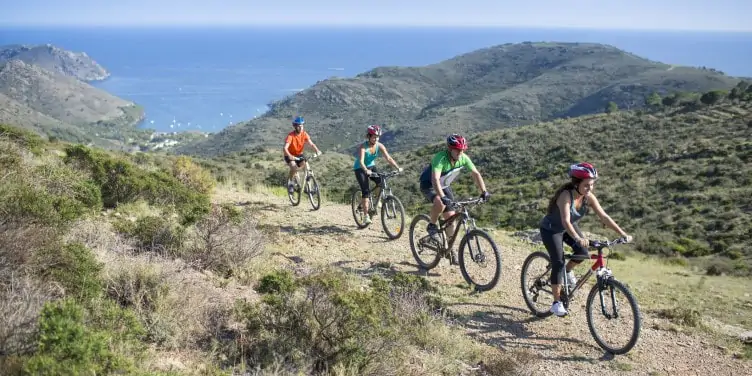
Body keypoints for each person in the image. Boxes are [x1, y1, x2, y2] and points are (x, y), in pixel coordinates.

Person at [539, 162, 633, 317]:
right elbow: (565, 221)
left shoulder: (588, 197)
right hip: (552, 229)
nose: (590, 189)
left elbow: (604, 217)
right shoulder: (565, 196)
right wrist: (577, 237)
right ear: (576, 183)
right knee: (558, 262)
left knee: (583, 252)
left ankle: (567, 272)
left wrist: (622, 234)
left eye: (592, 185)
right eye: (587, 185)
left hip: (568, 228)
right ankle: (556, 303)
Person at [418, 134, 490, 264]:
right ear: (450, 149)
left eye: (462, 150)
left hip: (444, 185)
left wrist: (484, 191)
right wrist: (443, 197)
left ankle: (450, 249)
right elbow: (435, 180)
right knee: (439, 203)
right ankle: (432, 226)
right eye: (457, 150)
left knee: (451, 217)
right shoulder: (440, 158)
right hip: (429, 184)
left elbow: (476, 173)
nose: (460, 152)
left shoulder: (463, 158)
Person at [353, 124, 403, 225]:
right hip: (360, 168)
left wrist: (397, 168)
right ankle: (366, 216)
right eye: (374, 137)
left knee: (381, 182)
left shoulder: (379, 146)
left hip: (371, 167)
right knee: (365, 190)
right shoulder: (363, 147)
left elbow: (388, 158)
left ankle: (377, 199)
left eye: (378, 137)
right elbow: (362, 161)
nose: (376, 139)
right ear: (369, 136)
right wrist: (366, 170)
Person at [283, 116, 322, 194]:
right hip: (289, 155)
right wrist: (290, 155)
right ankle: (291, 183)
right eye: (299, 126)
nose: (301, 128)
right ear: (295, 127)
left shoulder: (304, 134)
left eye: (302, 126)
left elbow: (311, 144)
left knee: (307, 167)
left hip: (299, 155)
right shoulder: (291, 136)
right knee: (294, 167)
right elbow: (285, 148)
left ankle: (309, 188)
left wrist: (317, 151)